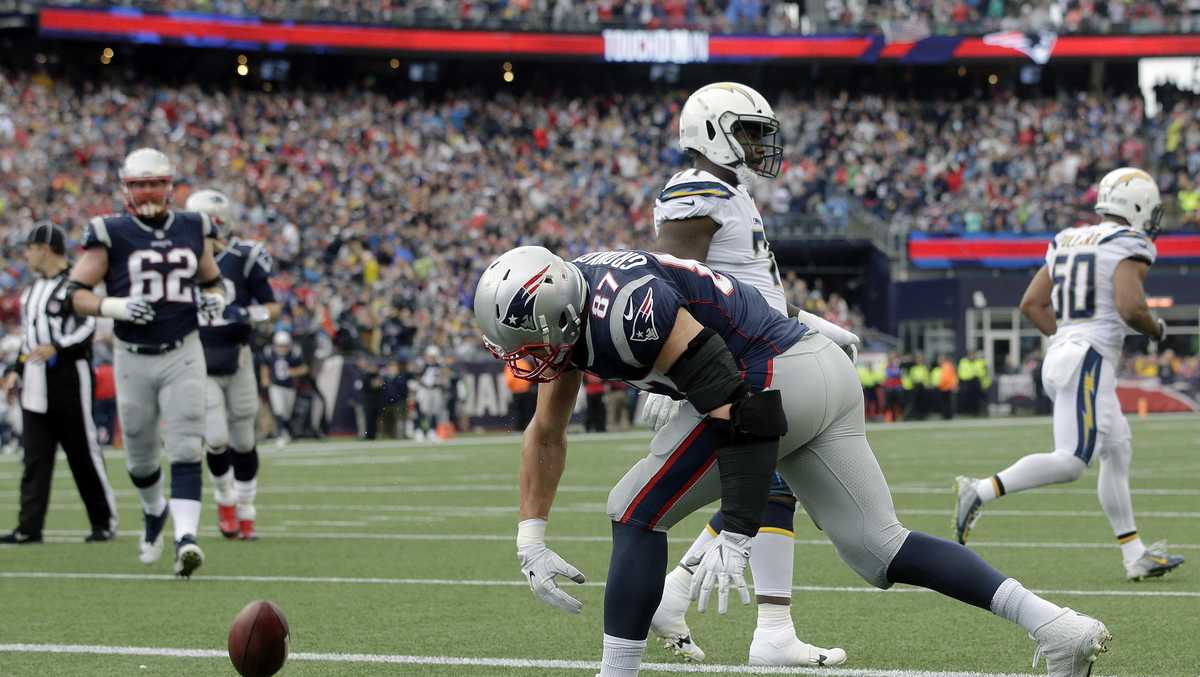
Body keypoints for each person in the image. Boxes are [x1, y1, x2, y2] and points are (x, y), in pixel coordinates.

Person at [476, 245, 1109, 677]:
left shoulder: (624, 312)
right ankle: (1055, 625)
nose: (524, 357)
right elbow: (546, 430)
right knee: (878, 549)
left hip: (772, 381)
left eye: (528, 343)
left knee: (634, 510)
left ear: (559, 312)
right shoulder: (576, 307)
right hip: (813, 369)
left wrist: (742, 526)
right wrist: (531, 536)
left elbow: (735, 402)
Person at [639, 82, 857, 666]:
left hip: (764, 346)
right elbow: (670, 282)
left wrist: (817, 324)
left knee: (767, 485)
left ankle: (691, 598)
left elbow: (753, 290)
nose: (762, 143)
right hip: (736, 363)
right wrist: (672, 373)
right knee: (759, 482)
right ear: (712, 132)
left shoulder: (732, 192)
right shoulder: (696, 191)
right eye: (750, 131)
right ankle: (764, 627)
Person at [956, 167, 1185, 581]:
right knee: (1073, 461)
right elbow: (1131, 307)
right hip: (1089, 359)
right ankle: (982, 489)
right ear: (1137, 208)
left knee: (1118, 449)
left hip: (1069, 352)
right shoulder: (1127, 242)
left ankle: (1134, 554)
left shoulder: (1067, 239)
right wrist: (1158, 329)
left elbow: (1032, 304)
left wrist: (1066, 338)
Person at [51, 148, 227, 578]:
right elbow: (74, 294)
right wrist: (114, 306)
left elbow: (213, 281)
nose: (147, 192)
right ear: (125, 188)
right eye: (138, 184)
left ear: (169, 186)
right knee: (141, 458)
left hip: (183, 350)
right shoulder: (110, 232)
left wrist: (215, 301)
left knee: (187, 444)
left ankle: (186, 538)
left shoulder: (193, 225)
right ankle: (154, 512)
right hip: (132, 356)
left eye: (154, 183)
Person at [0, 223, 117, 545]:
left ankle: (103, 521)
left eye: (30, 248)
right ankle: (29, 526)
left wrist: (60, 347)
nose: (26, 255)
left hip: (69, 373)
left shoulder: (74, 284)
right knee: (35, 455)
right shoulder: (32, 290)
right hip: (36, 375)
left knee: (83, 450)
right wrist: (15, 368)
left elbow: (89, 324)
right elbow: (28, 338)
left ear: (45, 248)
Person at [187, 189, 278, 542]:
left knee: (243, 437)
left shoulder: (244, 256)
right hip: (199, 357)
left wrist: (244, 313)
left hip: (238, 355)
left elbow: (272, 307)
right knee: (216, 437)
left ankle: (246, 509)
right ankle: (225, 500)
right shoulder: (180, 260)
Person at [262, 330, 306, 448]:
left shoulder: (294, 353)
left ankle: (287, 433)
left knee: (286, 413)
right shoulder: (269, 352)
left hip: (290, 387)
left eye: (284, 346)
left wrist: (293, 372)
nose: (282, 348)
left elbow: (304, 368)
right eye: (280, 346)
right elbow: (265, 365)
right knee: (279, 410)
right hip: (275, 385)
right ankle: (281, 435)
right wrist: (265, 378)